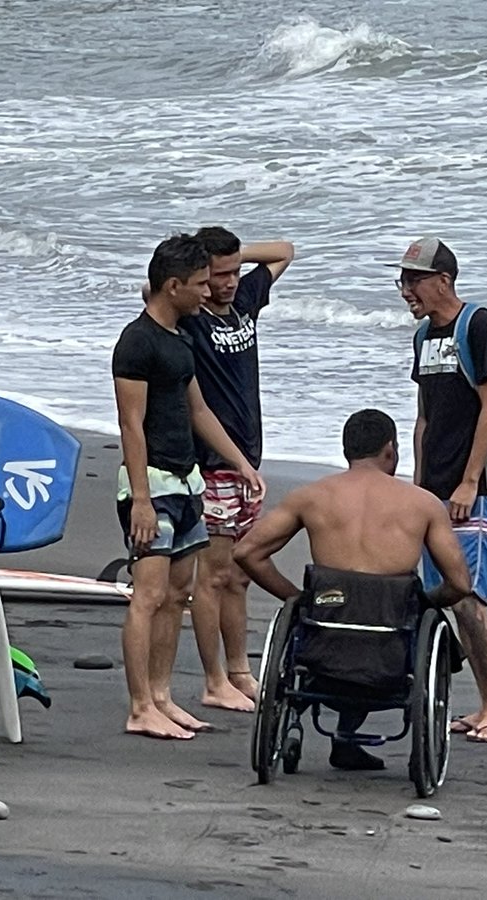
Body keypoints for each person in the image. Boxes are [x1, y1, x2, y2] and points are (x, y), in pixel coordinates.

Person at [234, 409, 471, 770]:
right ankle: (352, 740)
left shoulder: (311, 497)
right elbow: (460, 583)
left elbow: (246, 552)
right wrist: (426, 602)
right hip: (390, 646)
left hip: (324, 641)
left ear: (347, 451)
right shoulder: (421, 503)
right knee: (415, 615)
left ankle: (343, 740)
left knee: (341, 614)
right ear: (390, 451)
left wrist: (295, 597)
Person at [112, 234, 266, 741]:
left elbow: (198, 411)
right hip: (151, 482)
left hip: (187, 479)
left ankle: (161, 696)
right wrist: (139, 497)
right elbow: (130, 426)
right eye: (199, 283)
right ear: (172, 285)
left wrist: (241, 464)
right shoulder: (137, 341)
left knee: (178, 593)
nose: (208, 292)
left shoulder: (180, 339)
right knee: (150, 594)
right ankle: (139, 706)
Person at [394, 237, 487, 743]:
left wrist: (468, 480)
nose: (405, 291)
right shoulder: (424, 337)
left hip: (474, 489)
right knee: (435, 595)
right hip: (433, 488)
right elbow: (424, 417)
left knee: (468, 597)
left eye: (414, 280)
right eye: (402, 281)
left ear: (443, 280)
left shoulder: (479, 326)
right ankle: (476, 703)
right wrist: (418, 487)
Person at [177, 226, 294, 713]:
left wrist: (234, 257)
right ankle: (212, 678)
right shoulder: (193, 318)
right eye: (218, 275)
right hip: (213, 464)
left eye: (233, 273)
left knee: (239, 575)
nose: (228, 282)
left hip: (249, 460)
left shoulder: (246, 297)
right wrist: (201, 268)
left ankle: (239, 669)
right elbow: (152, 289)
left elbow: (286, 251)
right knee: (214, 575)